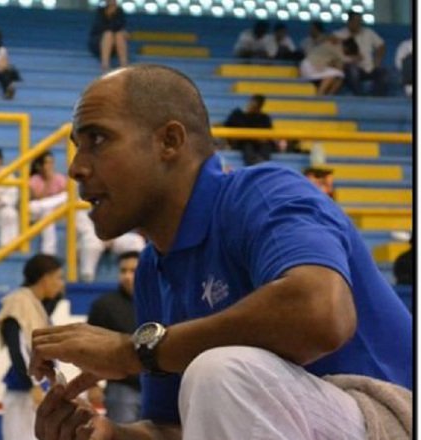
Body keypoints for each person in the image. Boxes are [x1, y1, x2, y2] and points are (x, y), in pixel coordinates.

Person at [29, 64, 411, 440]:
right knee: (215, 379)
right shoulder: (152, 270)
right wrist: (111, 435)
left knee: (220, 371)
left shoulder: (263, 192)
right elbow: (179, 428)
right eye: (78, 147)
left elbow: (321, 311)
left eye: (97, 139)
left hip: (395, 416)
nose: (76, 168)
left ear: (170, 141)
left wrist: (132, 352)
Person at [0, 254, 65, 440]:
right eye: (58, 277)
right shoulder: (19, 302)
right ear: (45, 277)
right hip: (24, 390)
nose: (61, 284)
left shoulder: (36, 304)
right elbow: (17, 348)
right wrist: (32, 384)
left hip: (39, 386)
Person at [86, 252, 142, 423]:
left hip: (159, 385)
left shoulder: (161, 300)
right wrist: (91, 384)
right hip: (121, 386)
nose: (127, 276)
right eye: (123, 271)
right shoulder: (104, 305)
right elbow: (88, 347)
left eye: (133, 271)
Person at [77, 213, 145, 282]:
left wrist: (110, 235)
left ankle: (141, 278)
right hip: (91, 236)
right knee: (91, 243)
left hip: (114, 237)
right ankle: (87, 279)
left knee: (137, 241)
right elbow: (83, 225)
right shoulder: (78, 205)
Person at [333, 10, 388, 96]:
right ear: (349, 22)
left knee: (383, 73)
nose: (358, 23)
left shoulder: (368, 32)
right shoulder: (339, 34)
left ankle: (376, 98)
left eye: (360, 21)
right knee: (352, 70)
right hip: (351, 68)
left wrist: (378, 60)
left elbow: (381, 45)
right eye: (356, 21)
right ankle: (360, 96)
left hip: (369, 67)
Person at [29, 151, 68, 255]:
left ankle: (48, 251)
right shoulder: (34, 180)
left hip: (58, 211)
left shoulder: (60, 178)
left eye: (52, 163)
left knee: (66, 196)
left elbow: (65, 199)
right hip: (37, 212)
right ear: (39, 166)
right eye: (47, 163)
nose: (50, 166)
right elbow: (38, 198)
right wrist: (48, 181)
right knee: (41, 209)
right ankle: (48, 252)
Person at [222, 94, 275, 166]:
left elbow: (269, 133)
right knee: (247, 145)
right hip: (242, 142)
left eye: (257, 106)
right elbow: (226, 126)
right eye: (252, 103)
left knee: (266, 146)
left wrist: (262, 139)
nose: (253, 106)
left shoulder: (264, 118)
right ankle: (255, 165)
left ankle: (264, 164)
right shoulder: (237, 114)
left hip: (259, 143)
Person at [88, 0, 128, 72]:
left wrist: (116, 28)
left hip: (115, 41)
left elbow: (120, 24)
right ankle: (105, 64)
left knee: (119, 35)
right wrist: (114, 27)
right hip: (99, 41)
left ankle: (123, 64)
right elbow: (101, 27)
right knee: (108, 34)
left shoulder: (119, 11)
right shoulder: (100, 11)